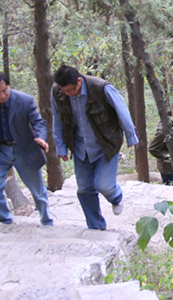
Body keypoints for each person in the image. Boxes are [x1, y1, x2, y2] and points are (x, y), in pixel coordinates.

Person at [51, 65, 138, 230]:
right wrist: (60, 146)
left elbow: (122, 110)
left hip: (106, 144)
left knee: (104, 185)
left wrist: (131, 136)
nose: (68, 94)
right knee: (84, 189)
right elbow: (57, 119)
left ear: (79, 81)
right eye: (65, 91)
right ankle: (96, 226)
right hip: (80, 147)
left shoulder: (100, 87)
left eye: (71, 90)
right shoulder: (57, 92)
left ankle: (116, 197)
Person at [0, 72, 53, 226]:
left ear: (9, 86)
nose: (2, 96)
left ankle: (46, 221)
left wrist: (41, 138)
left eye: (5, 91)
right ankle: (5, 221)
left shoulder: (24, 100)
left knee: (37, 190)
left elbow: (38, 122)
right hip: (2, 151)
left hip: (23, 149)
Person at [149, 102, 173, 185]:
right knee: (171, 188)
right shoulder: (163, 130)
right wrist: (169, 157)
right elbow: (153, 149)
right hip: (167, 167)